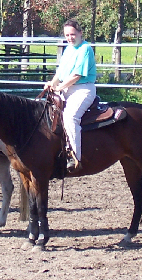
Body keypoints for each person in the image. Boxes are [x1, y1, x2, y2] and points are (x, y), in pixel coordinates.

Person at [44, 20, 97, 173]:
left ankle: (74, 156)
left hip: (83, 90)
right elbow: (60, 73)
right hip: (67, 88)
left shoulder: (86, 49)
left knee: (70, 117)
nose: (70, 37)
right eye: (67, 35)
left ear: (80, 33)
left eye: (72, 34)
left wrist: (59, 87)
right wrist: (51, 83)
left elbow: (76, 75)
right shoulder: (68, 49)